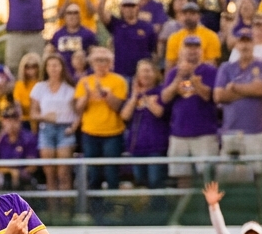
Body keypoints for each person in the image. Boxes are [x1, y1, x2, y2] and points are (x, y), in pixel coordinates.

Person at [215, 29, 262, 176]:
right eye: (241, 42)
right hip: (231, 131)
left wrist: (234, 87)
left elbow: (260, 90)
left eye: (248, 41)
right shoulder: (226, 68)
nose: (244, 46)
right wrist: (250, 90)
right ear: (236, 44)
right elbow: (219, 96)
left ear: (254, 43)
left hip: (258, 132)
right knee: (229, 178)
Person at [162, 36, 219, 182]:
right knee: (181, 177)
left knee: (207, 177)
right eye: (188, 47)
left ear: (201, 51)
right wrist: (178, 78)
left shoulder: (210, 71)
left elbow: (208, 96)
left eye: (196, 47)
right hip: (179, 133)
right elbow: (165, 98)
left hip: (204, 133)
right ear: (181, 51)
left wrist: (194, 78)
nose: (192, 51)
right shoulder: (174, 73)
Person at [74, 47, 127, 191]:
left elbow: (117, 106)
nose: (101, 64)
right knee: (93, 174)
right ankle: (95, 204)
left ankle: (112, 202)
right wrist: (86, 96)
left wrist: (104, 94)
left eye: (104, 60)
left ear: (110, 63)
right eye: (97, 60)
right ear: (92, 63)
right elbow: (78, 109)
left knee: (112, 173)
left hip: (113, 133)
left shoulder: (118, 81)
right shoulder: (84, 81)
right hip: (90, 133)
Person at [29, 53, 77, 197]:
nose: (53, 69)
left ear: (62, 67)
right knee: (50, 173)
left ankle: (66, 207)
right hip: (46, 129)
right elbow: (33, 113)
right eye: (50, 66)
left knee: (63, 173)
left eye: (56, 65)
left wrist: (73, 127)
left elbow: (78, 113)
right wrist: (45, 117)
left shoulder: (70, 88)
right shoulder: (39, 87)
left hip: (65, 129)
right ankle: (53, 208)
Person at [121, 59, 169, 189]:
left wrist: (146, 98)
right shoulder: (133, 95)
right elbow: (125, 116)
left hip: (156, 146)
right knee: (140, 181)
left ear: (155, 73)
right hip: (137, 146)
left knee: (155, 181)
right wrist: (134, 96)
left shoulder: (161, 92)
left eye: (148, 71)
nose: (145, 75)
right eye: (142, 72)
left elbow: (159, 112)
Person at [97, 0, 156, 82]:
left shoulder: (147, 27)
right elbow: (100, 11)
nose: (129, 8)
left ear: (137, 7)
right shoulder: (116, 24)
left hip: (141, 77)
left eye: (132, 5)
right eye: (126, 6)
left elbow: (153, 51)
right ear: (121, 8)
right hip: (121, 74)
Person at [0, 105, 38, 189]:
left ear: (19, 121)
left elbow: (32, 167)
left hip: (23, 176)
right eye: (7, 120)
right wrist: (9, 171)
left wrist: (17, 173)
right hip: (4, 174)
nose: (11, 123)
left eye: (14, 119)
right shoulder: (1, 139)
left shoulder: (28, 138)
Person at [164, 1, 221, 67]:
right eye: (185, 14)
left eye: (192, 13)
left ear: (199, 16)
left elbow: (212, 63)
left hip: (203, 71)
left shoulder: (211, 36)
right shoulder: (174, 38)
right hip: (181, 71)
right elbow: (170, 65)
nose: (188, 17)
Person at [49, 3, 96, 82]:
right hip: (61, 77)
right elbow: (51, 54)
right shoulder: (57, 35)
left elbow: (94, 56)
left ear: (80, 15)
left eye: (75, 13)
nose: (72, 16)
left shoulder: (88, 34)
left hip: (81, 77)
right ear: (65, 16)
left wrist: (88, 72)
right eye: (69, 13)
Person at [13, 53, 42, 125]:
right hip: (25, 121)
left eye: (34, 67)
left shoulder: (43, 84)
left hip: (41, 119)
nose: (31, 71)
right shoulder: (19, 85)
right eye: (28, 68)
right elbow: (18, 104)